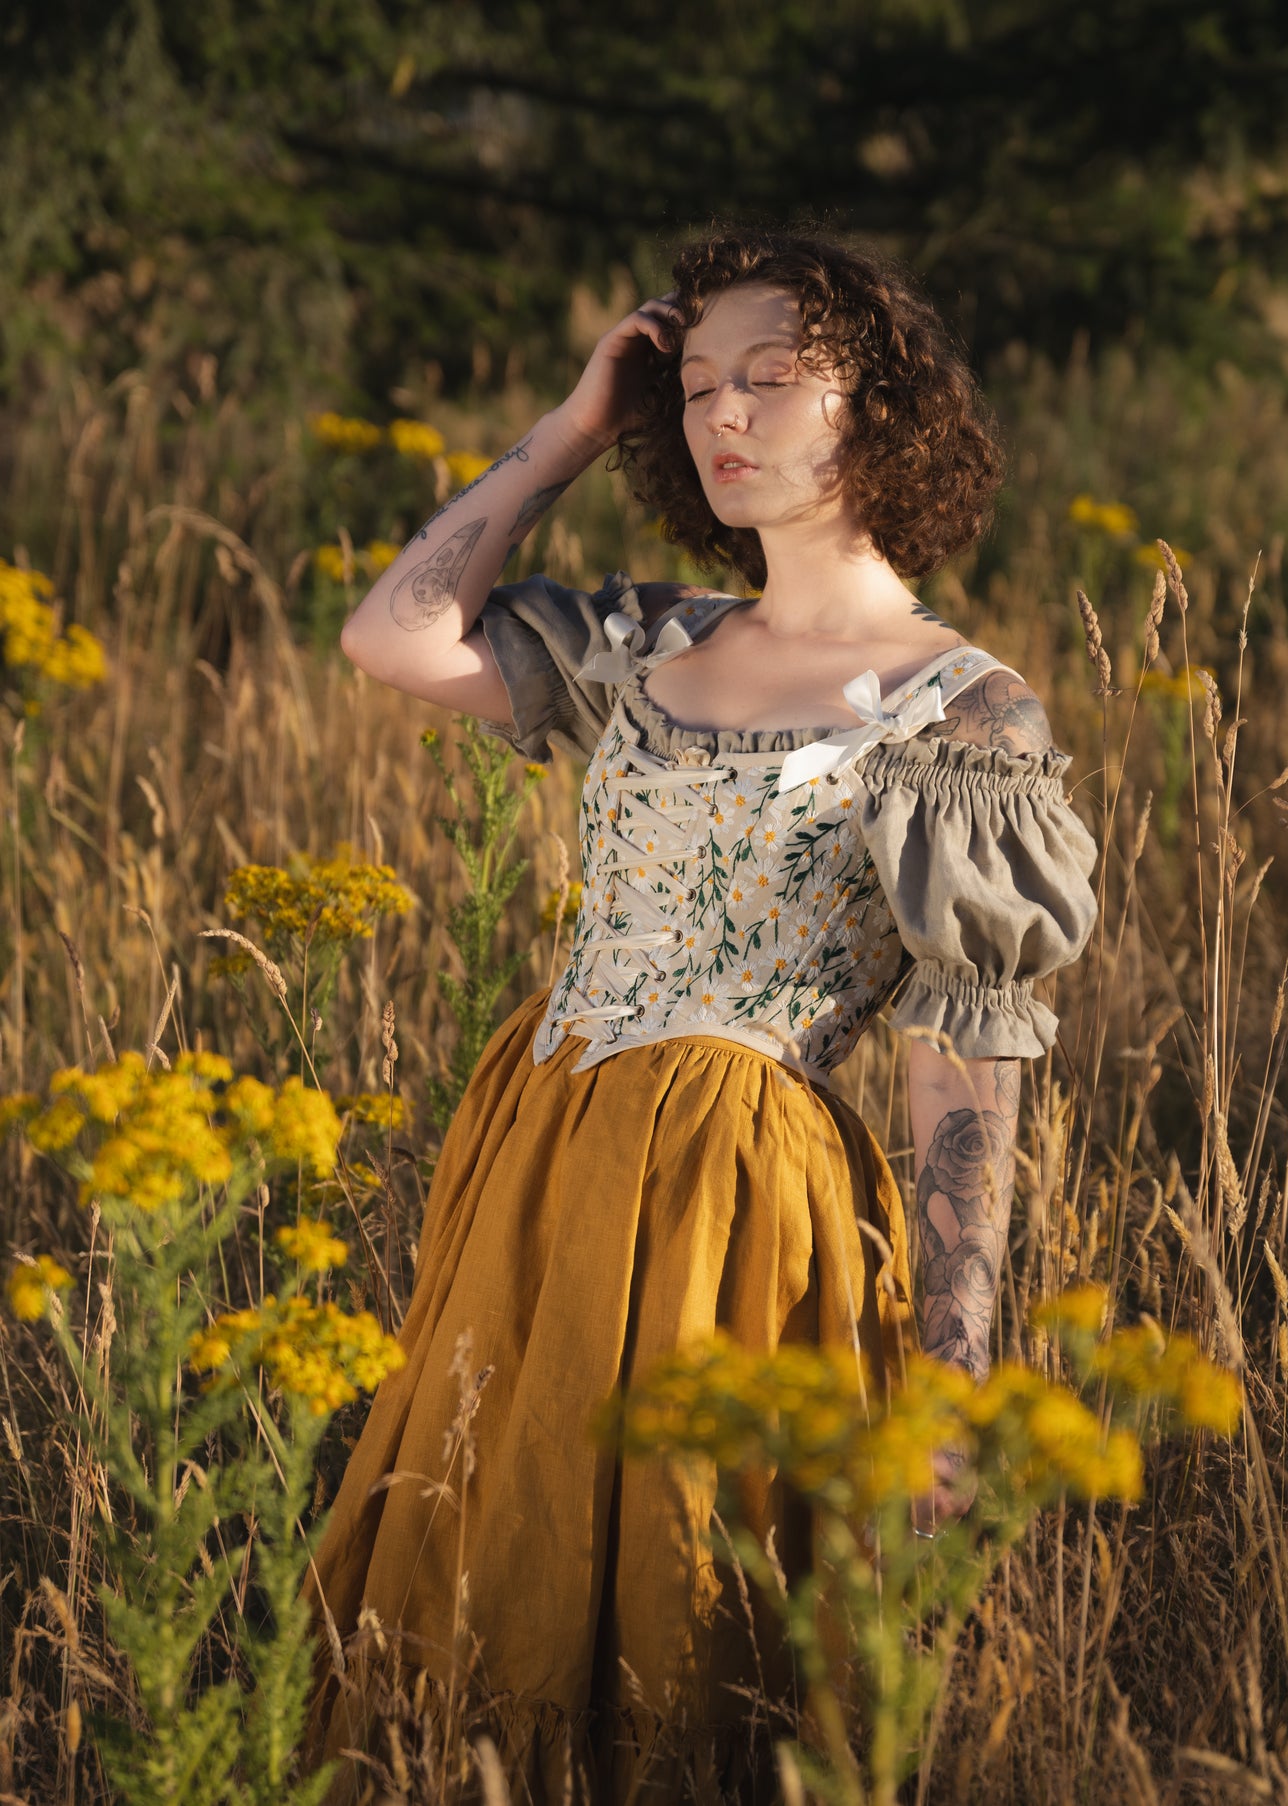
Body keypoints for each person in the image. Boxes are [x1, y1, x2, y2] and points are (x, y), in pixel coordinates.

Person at [304, 226, 1099, 1802]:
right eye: (698, 389)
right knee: (491, 1550)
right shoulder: (656, 640)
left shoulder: (961, 708)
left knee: (671, 1588)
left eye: (772, 381)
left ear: (874, 405)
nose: (721, 415)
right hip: (534, 1154)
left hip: (735, 1196)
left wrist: (947, 1375)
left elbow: (962, 1075)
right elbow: (391, 633)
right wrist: (572, 431)